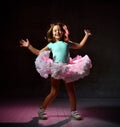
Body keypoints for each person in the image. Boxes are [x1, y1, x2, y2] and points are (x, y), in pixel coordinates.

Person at [19, 22, 92, 120]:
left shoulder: (67, 42)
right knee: (54, 92)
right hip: (56, 68)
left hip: (67, 69)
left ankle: (74, 112)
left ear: (63, 32)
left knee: (71, 91)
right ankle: (41, 110)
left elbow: (79, 46)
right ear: (52, 33)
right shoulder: (51, 44)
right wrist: (29, 46)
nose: (57, 32)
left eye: (59, 30)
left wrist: (86, 35)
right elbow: (38, 52)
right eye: (55, 31)